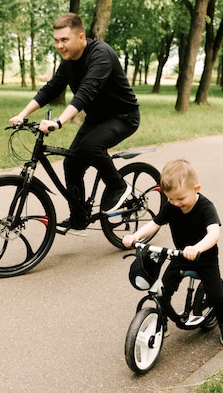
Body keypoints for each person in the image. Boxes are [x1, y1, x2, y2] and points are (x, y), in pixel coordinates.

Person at [9, 13, 139, 237]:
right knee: (71, 164)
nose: (59, 45)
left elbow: (86, 93)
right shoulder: (68, 63)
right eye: (56, 40)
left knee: (90, 147)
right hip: (97, 118)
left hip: (123, 116)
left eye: (64, 40)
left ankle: (118, 187)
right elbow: (51, 89)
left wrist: (59, 121)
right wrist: (22, 114)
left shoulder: (101, 55)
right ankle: (80, 219)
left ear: (81, 37)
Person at [122, 159, 223, 347]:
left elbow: (214, 233)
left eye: (180, 199)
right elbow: (155, 223)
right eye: (170, 199)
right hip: (180, 257)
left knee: (216, 295)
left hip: (204, 258)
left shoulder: (206, 207)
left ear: (196, 189)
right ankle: (161, 321)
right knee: (163, 291)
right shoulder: (172, 206)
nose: (175, 203)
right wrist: (136, 235)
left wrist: (197, 248)